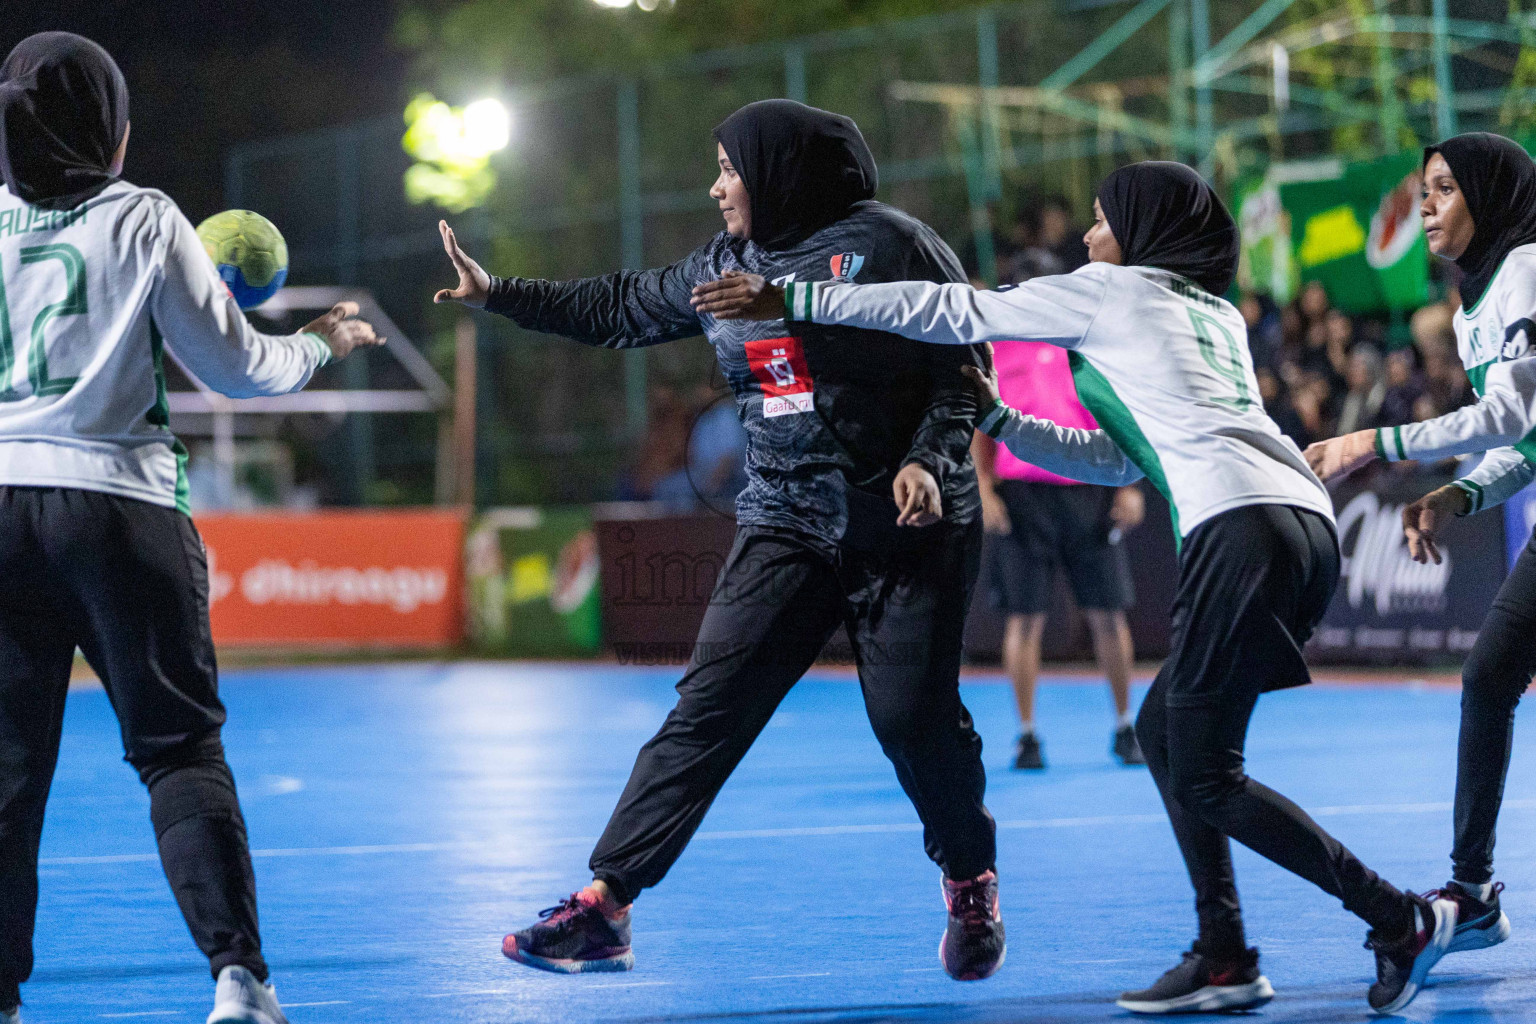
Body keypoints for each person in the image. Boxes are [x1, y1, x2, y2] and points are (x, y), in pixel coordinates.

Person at [693, 159, 1457, 1015]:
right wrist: (1001, 419)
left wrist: (793, 300)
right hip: (1300, 527)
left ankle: (1396, 917)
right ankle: (1224, 953)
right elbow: (1118, 456)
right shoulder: (1209, 312)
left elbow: (953, 309)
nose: (1087, 239)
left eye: (1101, 221)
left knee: (1203, 769)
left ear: (1139, 235)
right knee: (1168, 736)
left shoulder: (1112, 291)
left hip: (1239, 526)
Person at [435, 99, 1004, 981]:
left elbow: (966, 368)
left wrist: (931, 460)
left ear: (781, 172)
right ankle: (606, 905)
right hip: (784, 518)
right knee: (708, 709)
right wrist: (501, 293)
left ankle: (969, 876)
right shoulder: (725, 262)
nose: (716, 187)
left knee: (911, 721)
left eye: (729, 169)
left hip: (908, 525)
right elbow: (621, 304)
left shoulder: (894, 245)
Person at [0, 32, 381, 1024]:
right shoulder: (143, 218)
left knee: (6, 765)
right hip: (119, 506)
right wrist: (321, 343)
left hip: (1, 506)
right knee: (176, 752)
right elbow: (238, 370)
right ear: (112, 133)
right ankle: (238, 979)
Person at [1306, 132, 1536, 969]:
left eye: (1444, 189)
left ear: (1490, 195)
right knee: (1491, 676)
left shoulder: (1528, 269)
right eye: (1424, 189)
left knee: (1491, 677)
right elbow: (1531, 436)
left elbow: (1508, 417)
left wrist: (1375, 440)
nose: (1428, 205)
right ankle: (1471, 897)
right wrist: (1460, 493)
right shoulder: (1483, 295)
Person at [973, 341, 1144, 770]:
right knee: (1024, 619)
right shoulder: (999, 345)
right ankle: (1027, 736)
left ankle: (1126, 727)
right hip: (1023, 498)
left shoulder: (1083, 342)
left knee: (1108, 614)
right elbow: (983, 420)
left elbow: (1115, 416)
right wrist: (984, 485)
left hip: (1090, 491)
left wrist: (1128, 486)